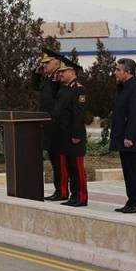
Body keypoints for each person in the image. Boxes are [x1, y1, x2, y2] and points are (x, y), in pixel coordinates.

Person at [110, 58, 136, 214]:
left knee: (134, 172)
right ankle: (131, 201)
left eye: (119, 70)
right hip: (123, 138)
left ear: (128, 72)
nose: (115, 73)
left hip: (131, 139)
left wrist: (129, 137)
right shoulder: (123, 88)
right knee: (128, 172)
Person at [52, 56, 88, 207]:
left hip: (74, 137)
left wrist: (76, 135)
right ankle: (73, 196)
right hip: (63, 137)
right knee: (70, 168)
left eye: (63, 71)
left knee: (77, 169)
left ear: (72, 72)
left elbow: (78, 115)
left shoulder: (79, 90)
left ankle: (81, 197)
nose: (60, 74)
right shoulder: (64, 90)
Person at [33, 47, 65, 200]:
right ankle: (58, 190)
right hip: (48, 125)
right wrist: (36, 71)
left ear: (57, 63)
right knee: (54, 159)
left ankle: (62, 190)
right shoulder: (47, 78)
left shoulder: (59, 79)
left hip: (57, 126)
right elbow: (34, 86)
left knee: (60, 161)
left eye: (47, 62)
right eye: (43, 63)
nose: (44, 65)